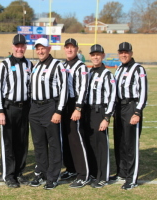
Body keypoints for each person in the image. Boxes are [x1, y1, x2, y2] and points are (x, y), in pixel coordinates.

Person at [29, 38, 67, 190]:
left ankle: (53, 176)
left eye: (42, 48)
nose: (40, 51)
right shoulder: (37, 65)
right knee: (39, 143)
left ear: (49, 48)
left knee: (53, 143)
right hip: (35, 108)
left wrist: (58, 110)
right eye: (37, 48)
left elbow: (64, 89)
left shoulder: (58, 65)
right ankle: (41, 173)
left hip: (50, 107)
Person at [0, 34, 33, 188]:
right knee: (9, 142)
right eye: (17, 46)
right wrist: (0, 110)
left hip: (24, 108)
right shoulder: (5, 64)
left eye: (22, 46)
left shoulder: (29, 64)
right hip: (9, 107)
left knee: (22, 142)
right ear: (12, 47)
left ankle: (19, 172)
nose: (20, 48)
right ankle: (8, 174)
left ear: (25, 47)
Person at [111, 42, 148, 190]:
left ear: (131, 53)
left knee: (131, 144)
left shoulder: (138, 68)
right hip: (119, 107)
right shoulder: (119, 68)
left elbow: (143, 93)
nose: (123, 55)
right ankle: (122, 172)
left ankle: (132, 178)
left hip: (132, 106)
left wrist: (137, 112)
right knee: (120, 142)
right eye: (121, 52)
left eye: (126, 52)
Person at [85, 44, 116, 188]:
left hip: (100, 112)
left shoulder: (107, 74)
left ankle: (103, 176)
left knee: (101, 146)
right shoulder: (89, 72)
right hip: (89, 112)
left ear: (103, 55)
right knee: (91, 144)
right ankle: (94, 173)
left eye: (98, 54)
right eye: (93, 55)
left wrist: (107, 117)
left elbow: (112, 97)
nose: (95, 57)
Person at [61, 38, 90, 188]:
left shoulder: (81, 66)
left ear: (77, 49)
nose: (70, 50)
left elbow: (84, 88)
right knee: (66, 139)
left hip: (75, 103)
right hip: (64, 104)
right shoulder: (63, 65)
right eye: (67, 47)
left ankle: (83, 174)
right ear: (64, 49)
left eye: (72, 47)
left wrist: (78, 108)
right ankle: (71, 169)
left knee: (76, 139)